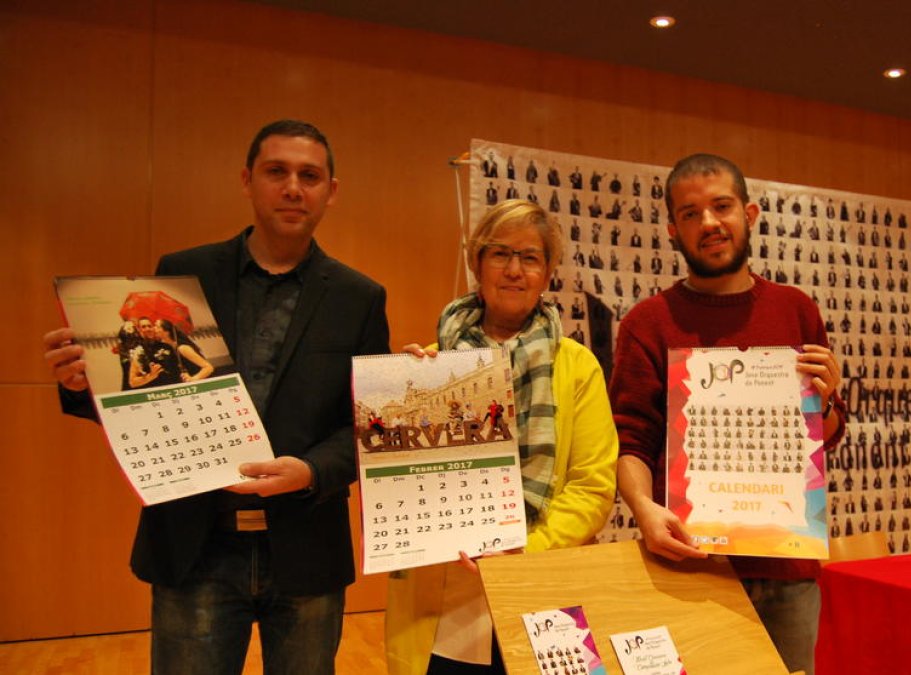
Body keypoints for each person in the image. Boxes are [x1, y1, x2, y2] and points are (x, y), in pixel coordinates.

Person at [42, 119, 390, 674]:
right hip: (196, 543)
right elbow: (147, 394)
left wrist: (309, 470)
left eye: (310, 175)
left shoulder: (360, 297)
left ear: (332, 191)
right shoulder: (184, 274)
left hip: (306, 544)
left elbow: (366, 429)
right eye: (277, 172)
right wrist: (82, 385)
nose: (294, 188)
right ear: (247, 180)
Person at [608, 153, 847, 675]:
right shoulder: (648, 323)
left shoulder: (796, 309)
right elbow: (629, 441)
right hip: (691, 567)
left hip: (788, 574)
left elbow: (822, 438)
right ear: (673, 229)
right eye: (690, 213)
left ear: (751, 213)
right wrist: (644, 512)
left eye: (721, 206)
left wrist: (825, 401)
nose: (709, 224)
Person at [386, 199, 617, 675]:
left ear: (548, 271)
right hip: (447, 597)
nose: (514, 270)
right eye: (499, 254)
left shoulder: (576, 366)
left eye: (530, 257)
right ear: (477, 263)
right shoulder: (428, 366)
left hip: (544, 589)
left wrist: (523, 552)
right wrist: (397, 403)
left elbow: (593, 487)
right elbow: (399, 483)